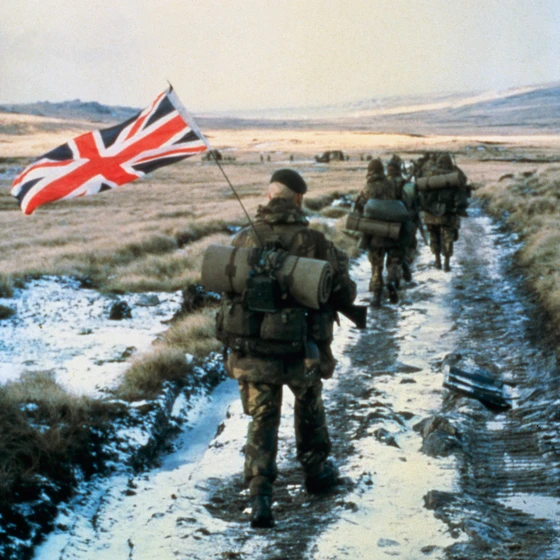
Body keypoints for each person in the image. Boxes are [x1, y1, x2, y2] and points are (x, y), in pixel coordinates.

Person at [215, 169, 357, 528]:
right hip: (303, 350)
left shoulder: (243, 238)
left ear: (268, 197)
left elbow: (228, 292)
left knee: (262, 417)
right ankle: (316, 472)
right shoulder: (317, 241)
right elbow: (345, 294)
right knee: (309, 406)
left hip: (254, 350)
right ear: (298, 199)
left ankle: (260, 492)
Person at [353, 158, 406, 307]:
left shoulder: (366, 188)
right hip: (393, 230)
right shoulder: (391, 185)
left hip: (374, 232)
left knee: (376, 266)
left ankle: (376, 295)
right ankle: (391, 282)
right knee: (393, 262)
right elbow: (401, 205)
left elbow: (358, 208)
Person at [417, 152, 469, 271]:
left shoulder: (430, 173)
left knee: (434, 236)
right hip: (449, 212)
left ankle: (437, 261)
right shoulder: (454, 174)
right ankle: (446, 263)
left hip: (430, 213)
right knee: (448, 237)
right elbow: (463, 184)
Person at [386, 154, 414, 282]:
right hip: (399, 223)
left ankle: (380, 282)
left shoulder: (382, 183)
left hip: (382, 222)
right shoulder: (404, 184)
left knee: (382, 250)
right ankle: (400, 270)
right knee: (399, 249)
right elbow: (409, 203)